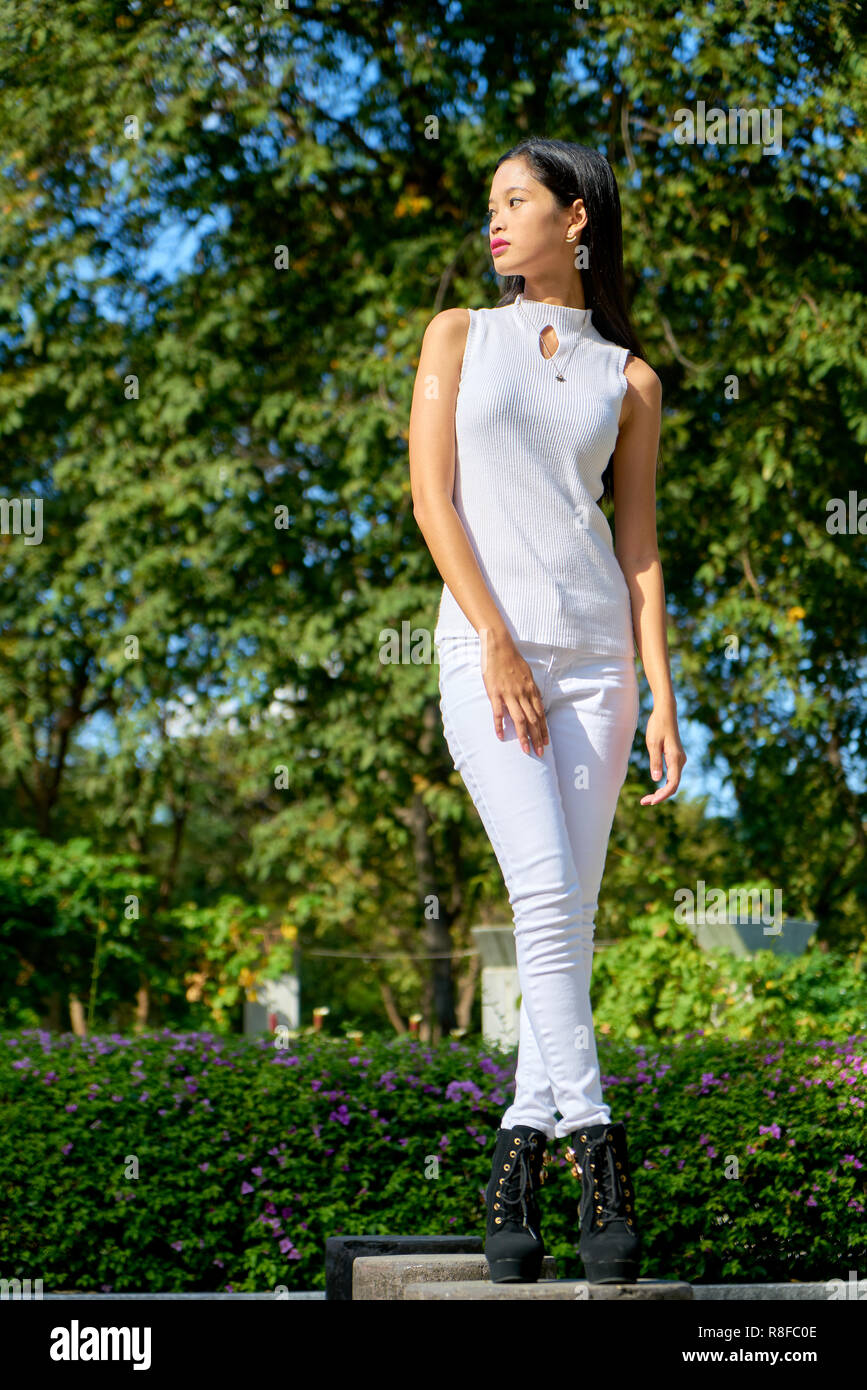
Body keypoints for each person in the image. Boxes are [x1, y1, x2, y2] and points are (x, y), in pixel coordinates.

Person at [408, 137, 686, 1285]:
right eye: (489, 206)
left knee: (562, 921)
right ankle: (600, 1153)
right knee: (547, 894)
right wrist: (502, 642)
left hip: (600, 671)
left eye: (516, 202)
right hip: (489, 653)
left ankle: (518, 1155)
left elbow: (638, 550)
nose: (495, 221)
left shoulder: (631, 379)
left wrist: (664, 693)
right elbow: (433, 497)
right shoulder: (457, 336)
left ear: (576, 219)